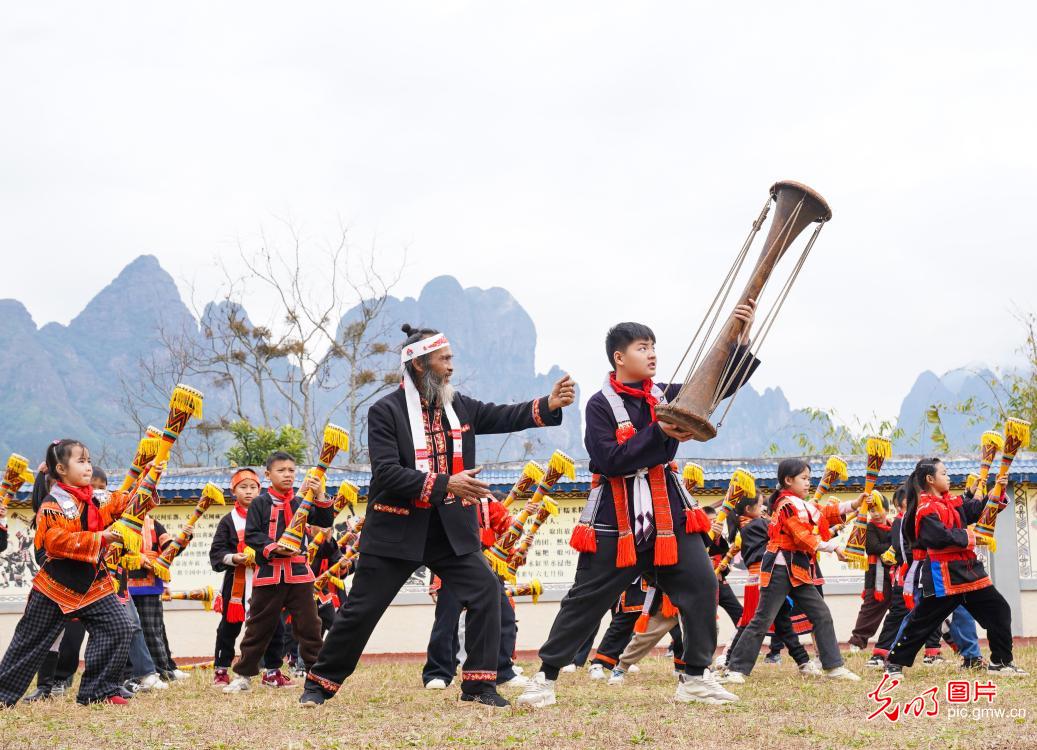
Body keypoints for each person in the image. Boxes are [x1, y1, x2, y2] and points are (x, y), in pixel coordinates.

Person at [302, 324, 574, 708]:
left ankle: (479, 685)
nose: (451, 367)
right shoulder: (385, 411)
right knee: (361, 609)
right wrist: (448, 483)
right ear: (419, 365)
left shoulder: (459, 407)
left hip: (449, 530)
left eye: (450, 359)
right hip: (397, 528)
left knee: (486, 591)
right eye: (444, 359)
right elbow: (387, 474)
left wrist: (549, 404)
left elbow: (504, 415)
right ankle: (319, 685)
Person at [519, 310, 759, 709]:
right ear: (619, 357)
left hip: (669, 512)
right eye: (642, 348)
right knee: (586, 600)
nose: (651, 354)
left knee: (703, 586)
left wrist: (741, 341)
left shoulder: (665, 396)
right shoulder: (599, 406)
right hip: (616, 519)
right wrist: (659, 431)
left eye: (653, 347)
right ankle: (545, 677)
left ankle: (695, 677)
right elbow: (609, 460)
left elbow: (716, 385)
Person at [0, 440, 134, 706]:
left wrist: (149, 476)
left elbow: (125, 503)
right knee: (29, 642)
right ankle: (3, 695)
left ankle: (98, 692)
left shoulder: (95, 498)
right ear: (61, 469)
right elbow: (56, 542)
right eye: (81, 461)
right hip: (55, 587)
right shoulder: (52, 505)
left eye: (89, 460)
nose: (88, 466)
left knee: (119, 626)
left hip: (92, 585)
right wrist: (101, 538)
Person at [719, 458, 864, 684]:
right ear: (788, 480)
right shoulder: (786, 505)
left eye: (809, 478)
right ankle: (736, 670)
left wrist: (854, 504)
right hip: (779, 568)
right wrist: (833, 547)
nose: (808, 483)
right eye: (804, 478)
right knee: (762, 620)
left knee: (821, 614)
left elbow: (825, 512)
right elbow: (801, 536)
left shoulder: (801, 504)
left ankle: (834, 666)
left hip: (797, 569)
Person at [884, 459, 1027, 677]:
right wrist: (972, 537)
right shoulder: (925, 509)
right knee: (923, 621)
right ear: (930, 479)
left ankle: (1001, 662)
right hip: (943, 575)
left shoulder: (951, 502)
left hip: (969, 571)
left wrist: (995, 492)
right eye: (944, 473)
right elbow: (938, 537)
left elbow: (975, 511)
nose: (948, 477)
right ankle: (894, 662)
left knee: (999, 610)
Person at [224, 453, 332, 693]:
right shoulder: (260, 503)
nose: (287, 475)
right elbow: (252, 535)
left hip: (299, 573)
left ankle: (318, 676)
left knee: (310, 626)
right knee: (258, 626)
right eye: (281, 470)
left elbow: (325, 521)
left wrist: (320, 495)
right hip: (269, 574)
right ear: (268, 475)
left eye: (291, 470)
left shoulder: (302, 501)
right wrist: (273, 547)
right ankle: (243, 675)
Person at [422, 493, 526, 691]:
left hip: (483, 565)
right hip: (450, 564)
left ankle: (502, 670)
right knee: (446, 622)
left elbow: (506, 526)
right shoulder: (439, 495)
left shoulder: (485, 500)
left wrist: (522, 518)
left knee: (504, 617)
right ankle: (438, 672)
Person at [210, 467, 288, 687]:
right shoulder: (228, 520)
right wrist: (235, 558)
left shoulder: (271, 515)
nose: (248, 491)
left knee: (274, 625)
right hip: (237, 582)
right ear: (233, 491)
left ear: (259, 490)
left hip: (266, 578)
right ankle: (221, 670)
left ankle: (272, 671)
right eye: (243, 487)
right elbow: (216, 553)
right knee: (229, 628)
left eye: (253, 487)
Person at [847, 501, 894, 652]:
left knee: (899, 610)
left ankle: (895, 642)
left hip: (895, 573)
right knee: (870, 609)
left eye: (878, 509)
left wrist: (893, 548)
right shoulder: (869, 527)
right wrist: (894, 547)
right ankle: (857, 641)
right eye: (872, 511)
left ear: (887, 510)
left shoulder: (894, 525)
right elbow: (873, 547)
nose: (875, 514)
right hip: (876, 575)